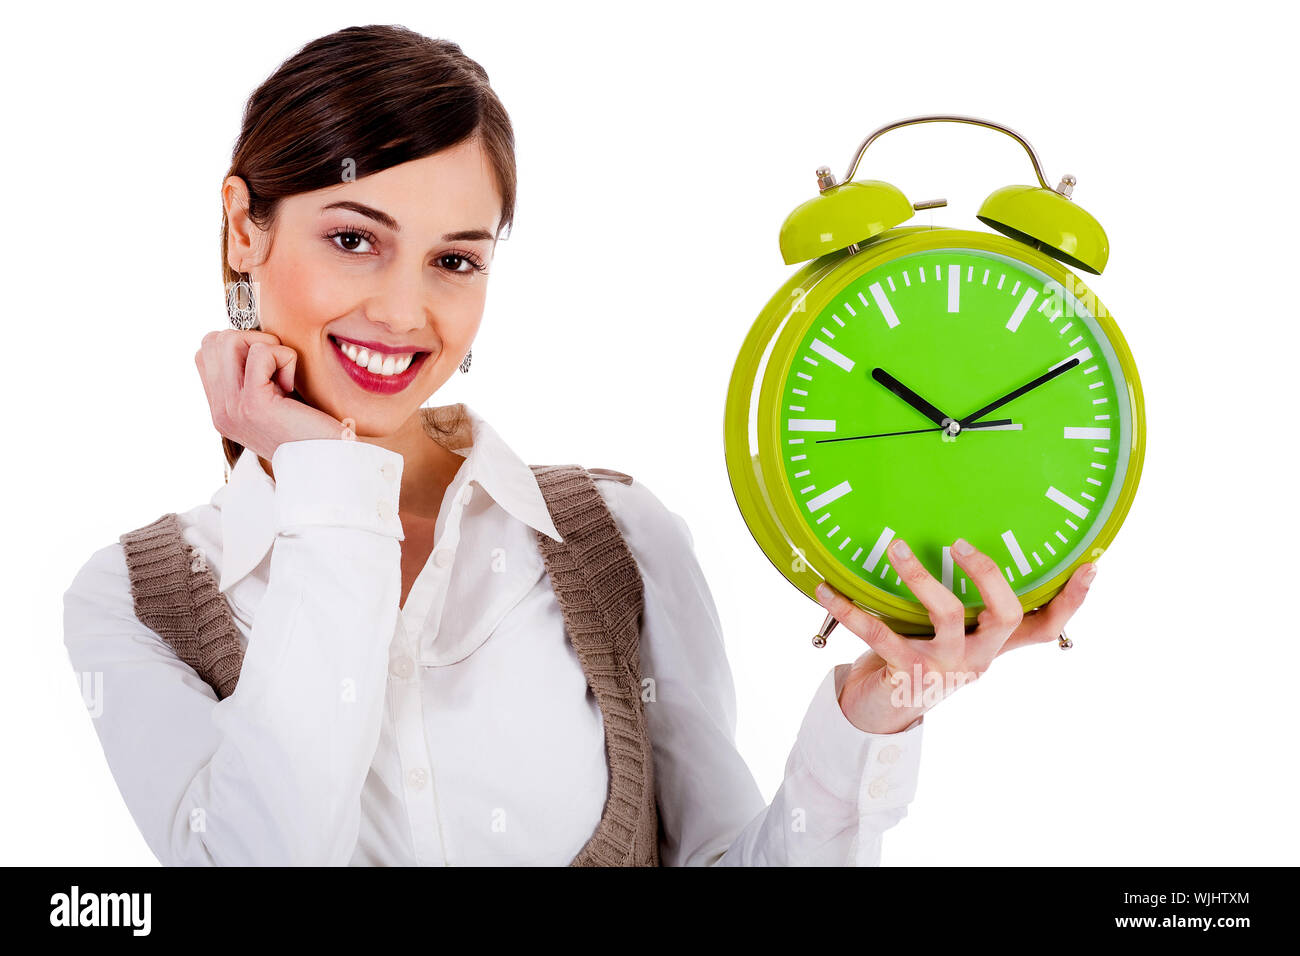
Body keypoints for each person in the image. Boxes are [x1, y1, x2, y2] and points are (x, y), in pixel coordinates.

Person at [61, 24, 1098, 867]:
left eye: (455, 259)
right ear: (245, 226)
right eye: (352, 238)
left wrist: (878, 707)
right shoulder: (135, 597)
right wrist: (326, 480)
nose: (405, 309)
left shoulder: (616, 538)